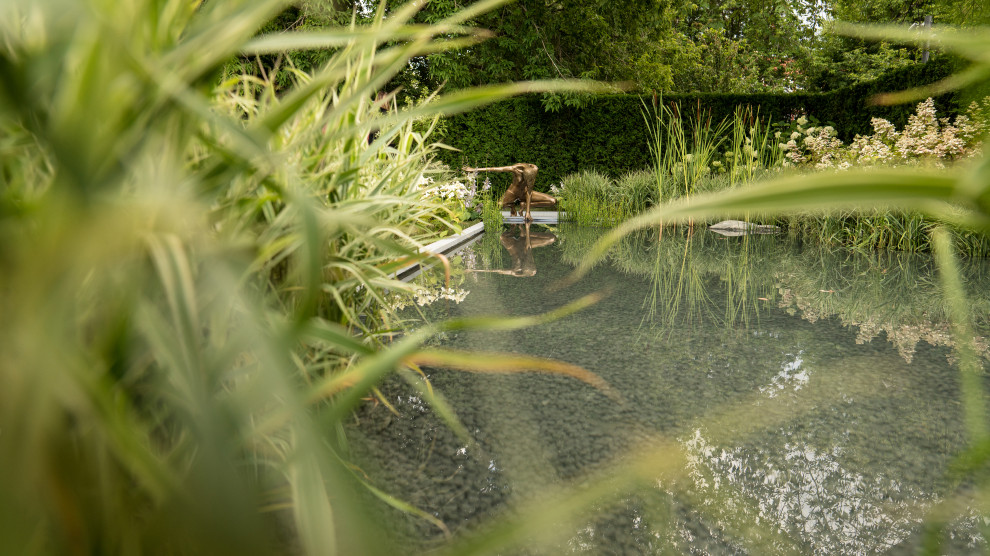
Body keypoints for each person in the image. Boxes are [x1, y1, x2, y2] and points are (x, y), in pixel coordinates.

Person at [462, 163, 556, 222]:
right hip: (513, 192)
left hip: (524, 192)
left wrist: (527, 212)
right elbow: (495, 169)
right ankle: (511, 205)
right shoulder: (516, 168)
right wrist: (474, 169)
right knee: (498, 206)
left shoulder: (534, 170)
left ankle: (522, 205)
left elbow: (529, 192)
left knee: (552, 201)